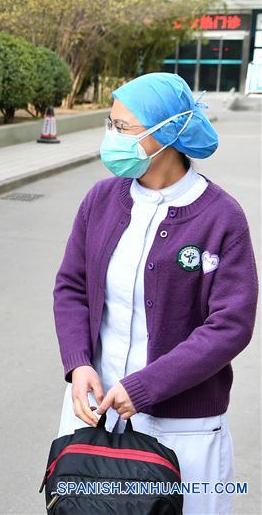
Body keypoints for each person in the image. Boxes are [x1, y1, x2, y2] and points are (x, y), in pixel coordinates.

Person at [53, 72, 257, 514]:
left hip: (183, 429)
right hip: (96, 416)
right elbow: (71, 286)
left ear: (164, 133)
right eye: (111, 123)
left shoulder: (220, 217)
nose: (111, 136)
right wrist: (79, 363)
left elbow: (230, 326)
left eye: (122, 127)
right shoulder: (101, 200)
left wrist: (146, 386)